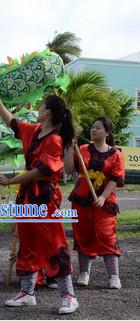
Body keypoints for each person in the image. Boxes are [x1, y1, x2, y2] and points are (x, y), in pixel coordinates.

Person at [0, 88, 79, 314]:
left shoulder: (54, 140)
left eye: (41, 106)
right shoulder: (36, 131)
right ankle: (27, 293)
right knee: (28, 243)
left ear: (47, 112)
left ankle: (69, 296)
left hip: (43, 197)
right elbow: (13, 123)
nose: (38, 109)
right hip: (27, 196)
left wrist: (10, 180)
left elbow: (42, 171)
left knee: (54, 244)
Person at [64, 116, 125, 289]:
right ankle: (84, 273)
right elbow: (68, 169)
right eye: (92, 127)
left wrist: (103, 197)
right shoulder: (81, 149)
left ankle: (114, 276)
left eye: (98, 128)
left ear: (107, 132)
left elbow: (115, 179)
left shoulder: (115, 154)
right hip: (82, 200)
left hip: (104, 202)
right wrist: (69, 147)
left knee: (106, 235)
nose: (93, 130)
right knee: (83, 235)